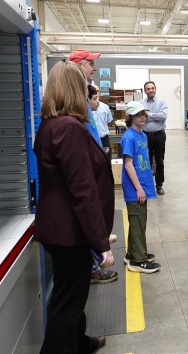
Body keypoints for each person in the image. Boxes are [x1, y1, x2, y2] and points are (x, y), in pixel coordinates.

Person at [34, 60, 114, 353]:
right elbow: (83, 191)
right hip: (70, 232)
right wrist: (100, 241)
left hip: (58, 227)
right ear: (75, 90)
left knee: (72, 294)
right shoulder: (70, 128)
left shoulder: (49, 125)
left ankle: (79, 342)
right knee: (68, 303)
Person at [71, 50, 118, 283]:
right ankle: (92, 268)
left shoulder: (82, 93)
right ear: (78, 65)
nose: (95, 68)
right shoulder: (75, 97)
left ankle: (97, 243)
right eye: (90, 63)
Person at [121, 101, 162, 273]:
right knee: (138, 221)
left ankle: (132, 253)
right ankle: (138, 261)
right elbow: (128, 165)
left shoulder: (143, 135)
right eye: (138, 114)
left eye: (143, 114)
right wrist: (138, 188)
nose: (142, 117)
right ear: (130, 117)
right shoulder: (129, 137)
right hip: (135, 187)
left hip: (143, 184)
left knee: (138, 221)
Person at [140, 81, 168, 195]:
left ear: (155, 89)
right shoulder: (141, 103)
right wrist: (154, 116)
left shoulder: (161, 101)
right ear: (145, 91)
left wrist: (149, 115)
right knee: (146, 161)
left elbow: (163, 116)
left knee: (159, 161)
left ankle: (159, 185)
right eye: (148, 89)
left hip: (159, 135)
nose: (151, 90)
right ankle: (147, 185)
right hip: (145, 135)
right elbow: (141, 118)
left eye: (152, 88)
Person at [91, 84, 114, 161]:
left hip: (104, 138)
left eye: (97, 91)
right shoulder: (87, 108)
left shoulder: (105, 107)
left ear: (99, 92)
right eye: (93, 91)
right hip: (92, 139)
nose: (96, 93)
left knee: (107, 161)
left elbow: (108, 121)